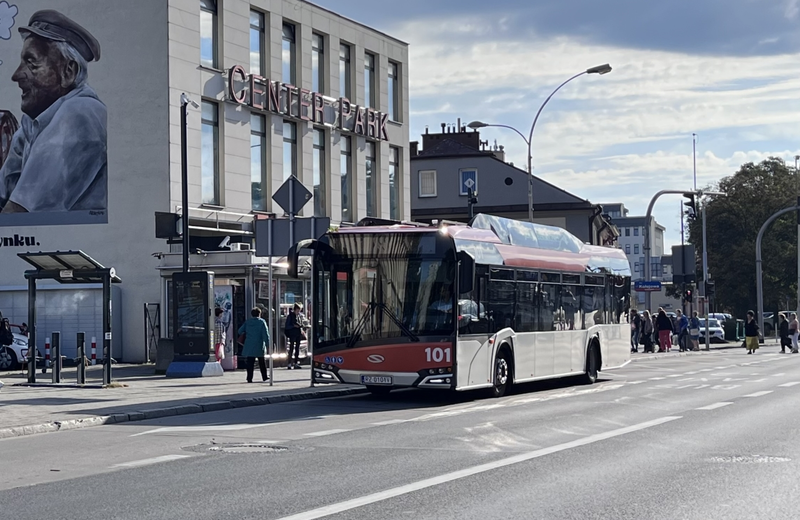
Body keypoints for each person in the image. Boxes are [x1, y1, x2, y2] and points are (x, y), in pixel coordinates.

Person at [0, 10, 107, 214]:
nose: (16, 75)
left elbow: (19, 213)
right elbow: (3, 192)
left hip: (74, 242)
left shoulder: (80, 113)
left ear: (68, 72)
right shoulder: (33, 122)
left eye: (31, 63)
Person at [238, 307, 270, 382]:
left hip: (249, 344)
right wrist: (268, 345)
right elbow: (265, 334)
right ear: (259, 314)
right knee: (261, 361)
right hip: (259, 344)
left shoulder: (248, 322)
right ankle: (264, 376)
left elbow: (239, 331)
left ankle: (249, 378)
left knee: (250, 362)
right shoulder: (262, 322)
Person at [284, 303, 303, 370]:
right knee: (292, 348)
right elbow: (287, 326)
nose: (298, 312)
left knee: (297, 348)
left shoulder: (299, 316)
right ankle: (290, 363)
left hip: (298, 333)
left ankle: (295, 362)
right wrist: (294, 326)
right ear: (295, 310)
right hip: (293, 334)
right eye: (298, 310)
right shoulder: (290, 316)